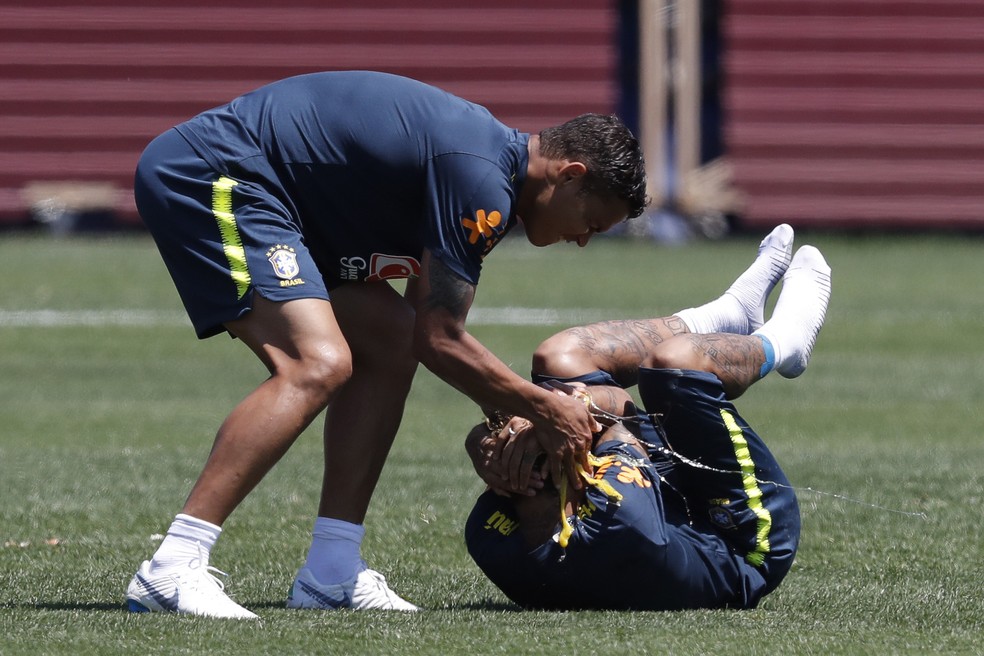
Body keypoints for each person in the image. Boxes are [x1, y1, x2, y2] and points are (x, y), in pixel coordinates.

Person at [124, 70, 648, 619]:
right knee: (316, 363)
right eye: (592, 221)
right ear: (569, 175)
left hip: (286, 206)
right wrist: (540, 407)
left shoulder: (486, 174)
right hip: (218, 175)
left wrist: (508, 417)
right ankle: (174, 564)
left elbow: (425, 329)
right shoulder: (480, 181)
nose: (584, 240)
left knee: (391, 342)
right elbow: (442, 338)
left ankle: (331, 569)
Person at [465, 225, 832, 610]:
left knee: (557, 359)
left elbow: (504, 442)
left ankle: (731, 313)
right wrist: (564, 411)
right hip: (742, 537)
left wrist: (483, 439)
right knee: (672, 368)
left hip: (664, 503)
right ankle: (783, 342)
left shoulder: (492, 533)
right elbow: (619, 409)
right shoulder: (617, 517)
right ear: (568, 467)